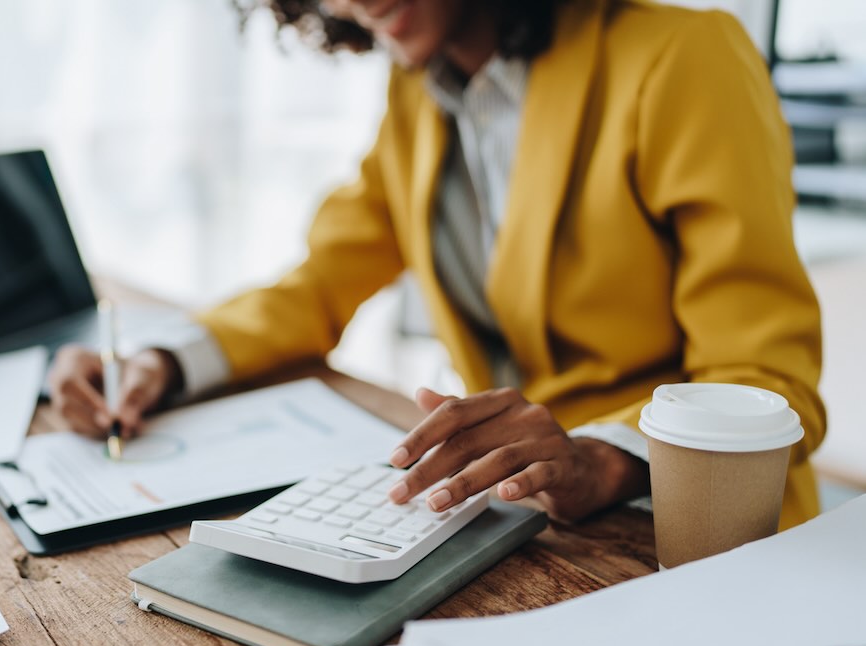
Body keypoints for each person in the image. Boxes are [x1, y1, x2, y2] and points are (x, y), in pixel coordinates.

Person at [49, 0, 825, 530]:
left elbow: (767, 385)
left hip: (687, 527)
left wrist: (598, 459)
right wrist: (160, 363)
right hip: (523, 517)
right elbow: (319, 286)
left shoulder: (682, 57)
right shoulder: (421, 89)